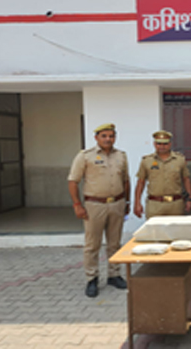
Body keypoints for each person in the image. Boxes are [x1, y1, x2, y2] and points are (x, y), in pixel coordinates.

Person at [67, 123, 130, 298]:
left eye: (111, 136)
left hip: (117, 203)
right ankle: (92, 278)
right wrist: (77, 205)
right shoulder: (85, 156)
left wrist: (127, 201)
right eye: (104, 136)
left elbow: (126, 181)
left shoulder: (121, 156)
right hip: (95, 205)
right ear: (96, 138)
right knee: (92, 245)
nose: (108, 139)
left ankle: (114, 275)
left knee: (114, 243)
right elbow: (73, 181)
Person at [133, 130, 191, 219]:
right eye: (159, 143)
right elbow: (141, 182)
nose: (162, 146)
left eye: (165, 144)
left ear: (170, 144)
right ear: (154, 144)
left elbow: (186, 179)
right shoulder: (147, 161)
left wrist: (189, 199)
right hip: (155, 204)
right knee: (154, 228)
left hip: (175, 204)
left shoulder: (179, 160)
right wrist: (137, 203)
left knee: (176, 227)